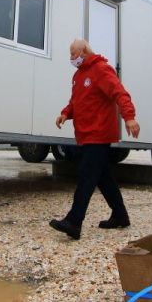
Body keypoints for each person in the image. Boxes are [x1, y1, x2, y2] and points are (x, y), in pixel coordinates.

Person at [49, 39, 140, 240]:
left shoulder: (101, 70)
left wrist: (130, 117)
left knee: (86, 176)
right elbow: (76, 101)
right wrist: (65, 113)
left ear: (84, 51)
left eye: (73, 54)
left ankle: (74, 221)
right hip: (85, 133)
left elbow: (120, 93)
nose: (71, 58)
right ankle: (120, 215)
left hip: (99, 134)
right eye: (70, 54)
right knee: (103, 177)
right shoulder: (78, 75)